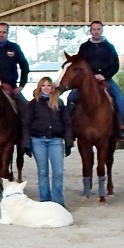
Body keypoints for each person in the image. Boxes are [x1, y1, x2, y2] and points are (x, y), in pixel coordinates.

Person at [68, 20, 124, 141]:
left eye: (98, 29)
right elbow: (80, 64)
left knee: (121, 99)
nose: (96, 32)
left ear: (102, 30)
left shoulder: (109, 47)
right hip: (88, 80)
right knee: (71, 98)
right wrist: (89, 75)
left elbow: (115, 65)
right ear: (90, 31)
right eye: (94, 29)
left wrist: (104, 75)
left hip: (105, 78)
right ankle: (71, 126)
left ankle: (120, 126)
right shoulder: (84, 47)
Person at [22, 77, 73, 207]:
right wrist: (26, 143)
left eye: (48, 85)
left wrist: (68, 142)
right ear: (39, 87)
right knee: (43, 172)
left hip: (55, 140)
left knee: (58, 172)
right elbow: (27, 124)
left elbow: (67, 123)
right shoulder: (33, 104)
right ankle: (45, 201)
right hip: (38, 140)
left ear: (52, 88)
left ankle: (58, 202)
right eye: (43, 85)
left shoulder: (59, 103)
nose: (46, 88)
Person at [0, 22, 30, 103]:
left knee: (25, 108)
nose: (1, 34)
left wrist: (22, 85)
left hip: (12, 87)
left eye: (4, 32)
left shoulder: (15, 47)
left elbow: (25, 66)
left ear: (7, 33)